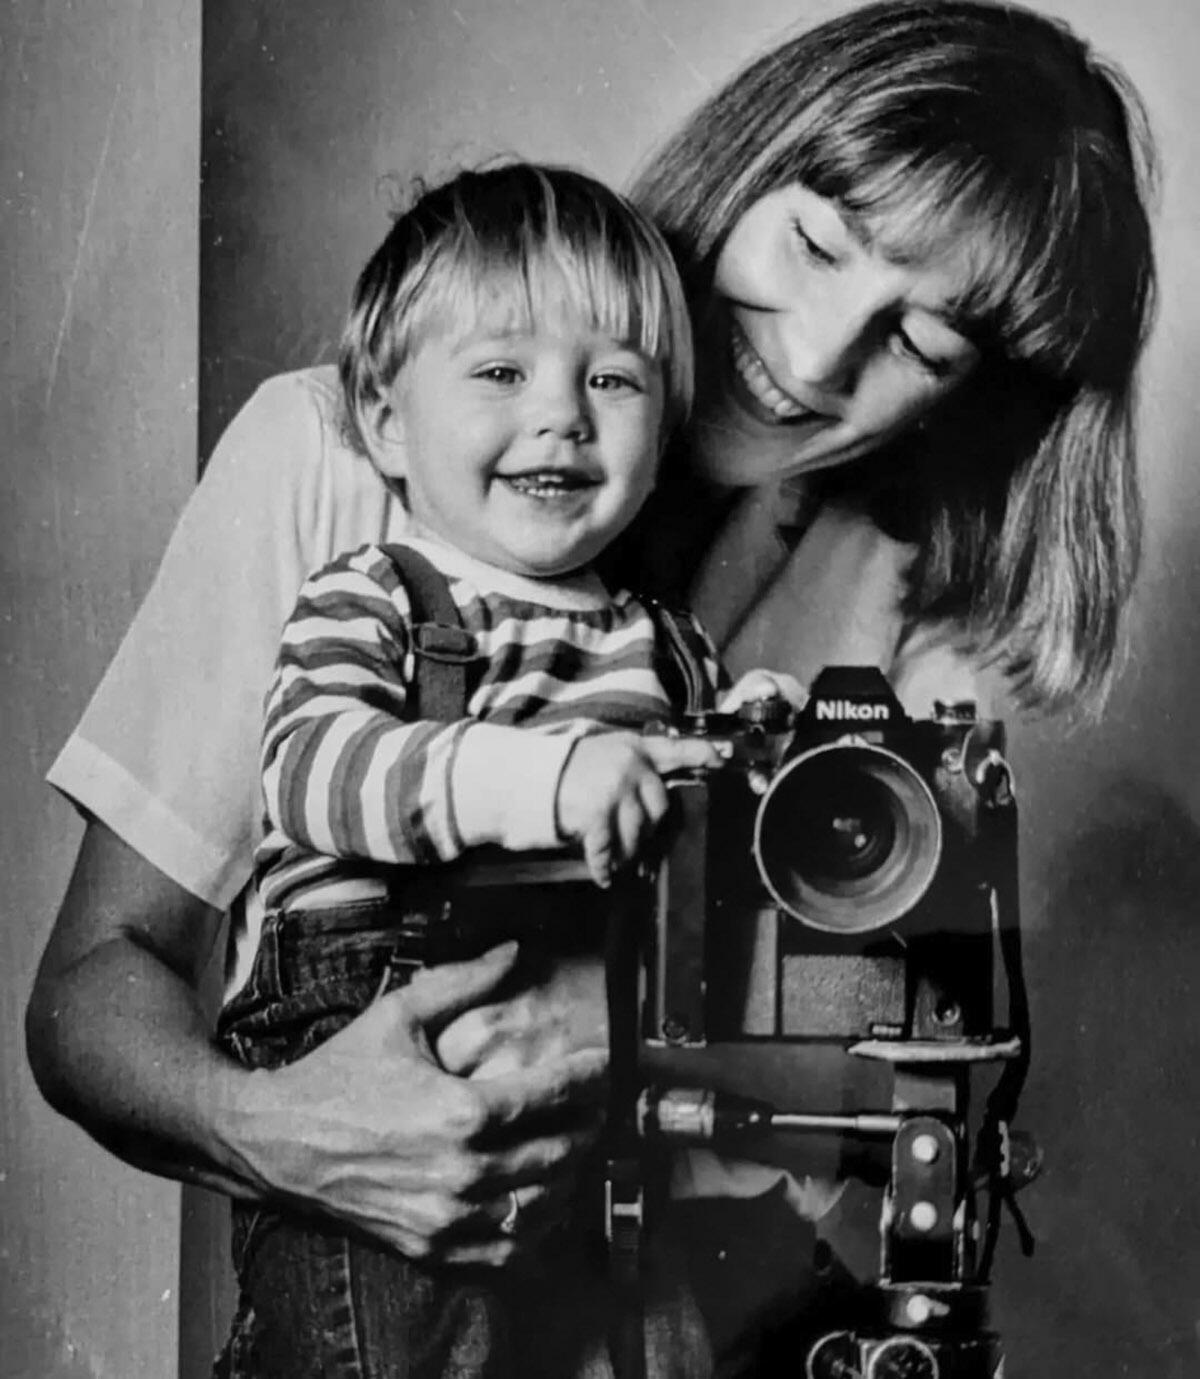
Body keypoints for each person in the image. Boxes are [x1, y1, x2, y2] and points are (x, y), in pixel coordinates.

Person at [26, 2, 1157, 1376]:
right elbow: (89, 995)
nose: (810, 362)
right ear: (751, 159)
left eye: (920, 344)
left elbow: (926, 1074)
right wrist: (296, 1131)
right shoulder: (337, 451)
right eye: (809, 243)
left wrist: (638, 1029)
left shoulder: (912, 595)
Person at [219, 159, 804, 1376]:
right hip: (377, 1053)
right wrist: (548, 777)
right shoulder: (375, 593)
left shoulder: (663, 641)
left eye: (611, 378)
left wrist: (761, 743)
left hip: (593, 1094)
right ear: (386, 421)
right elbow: (314, 768)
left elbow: (713, 842)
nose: (561, 415)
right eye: (500, 372)